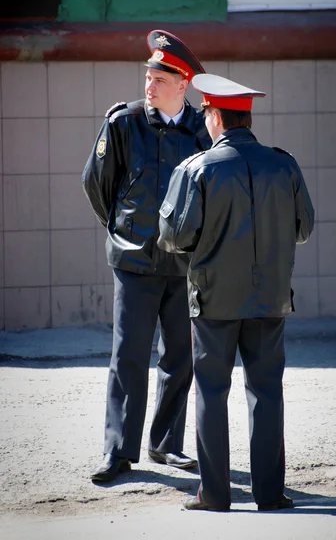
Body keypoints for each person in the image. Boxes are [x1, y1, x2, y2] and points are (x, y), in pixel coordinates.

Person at [157, 73, 315, 511]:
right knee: (266, 392)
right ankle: (269, 493)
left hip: (212, 300)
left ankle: (215, 495)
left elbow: (172, 237)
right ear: (246, 117)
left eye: (206, 111)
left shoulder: (196, 168)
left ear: (215, 116)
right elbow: (304, 229)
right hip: (270, 299)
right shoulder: (284, 164)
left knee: (210, 391)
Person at [82, 30, 211, 482]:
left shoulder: (202, 131)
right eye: (148, 76)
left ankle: (165, 445)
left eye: (160, 78)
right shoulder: (124, 123)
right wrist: (121, 230)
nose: (149, 85)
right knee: (129, 356)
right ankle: (118, 452)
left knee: (180, 356)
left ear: (184, 84)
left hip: (183, 265)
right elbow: (96, 185)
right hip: (134, 262)